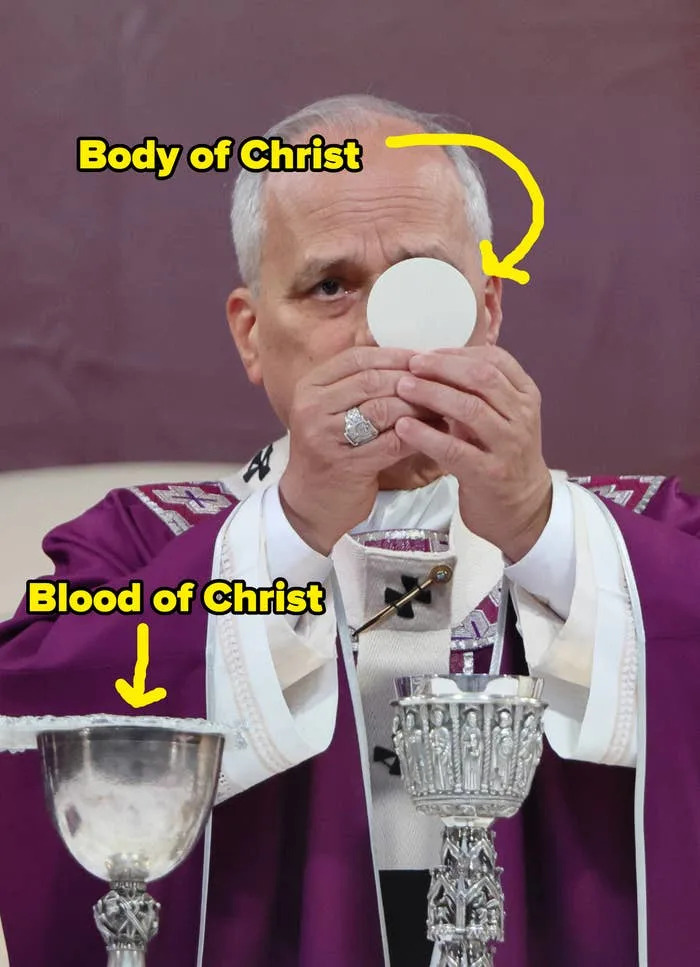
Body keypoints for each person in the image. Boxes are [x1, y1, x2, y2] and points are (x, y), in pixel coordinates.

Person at [0, 93, 698, 967]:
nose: (380, 332)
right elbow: (37, 709)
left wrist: (536, 526)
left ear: (488, 309)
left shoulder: (651, 537)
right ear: (253, 336)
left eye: (424, 283)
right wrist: (290, 527)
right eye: (331, 287)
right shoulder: (135, 547)